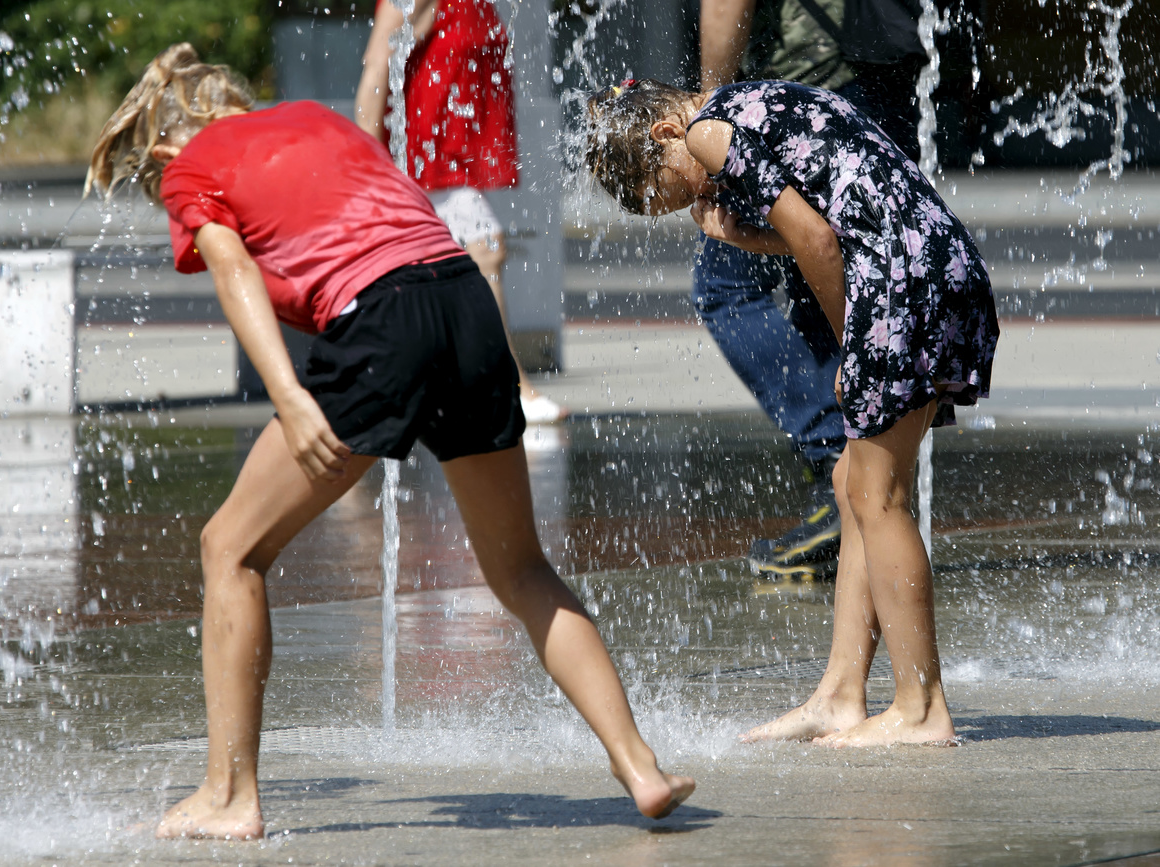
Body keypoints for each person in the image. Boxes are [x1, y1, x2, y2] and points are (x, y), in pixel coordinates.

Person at [85, 46, 693, 839]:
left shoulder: (192, 163)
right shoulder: (318, 120)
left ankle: (228, 794)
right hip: (465, 300)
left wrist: (289, 396)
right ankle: (640, 767)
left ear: (166, 142)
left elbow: (232, 265)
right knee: (519, 566)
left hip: (385, 320)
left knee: (228, 549)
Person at [585, 78, 998, 745]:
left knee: (877, 492)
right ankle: (839, 694)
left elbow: (822, 244)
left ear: (665, 135)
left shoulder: (705, 133)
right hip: (929, 263)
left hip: (901, 279)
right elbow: (829, 219)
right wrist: (751, 242)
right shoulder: (750, 102)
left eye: (674, 189)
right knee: (852, 483)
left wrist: (849, 344)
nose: (692, 198)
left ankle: (922, 708)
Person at [697, 0, 924, 580]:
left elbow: (727, 5)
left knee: (724, 286)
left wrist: (711, 105)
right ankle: (870, 491)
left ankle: (837, 463)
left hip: (807, 88)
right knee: (832, 288)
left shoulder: (720, 131)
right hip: (881, 77)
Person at [354, 0, 567, 424]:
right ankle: (509, 387)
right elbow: (378, 64)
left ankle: (387, 387)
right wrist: (363, 167)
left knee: (417, 276)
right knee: (485, 250)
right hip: (421, 160)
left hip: (443, 161)